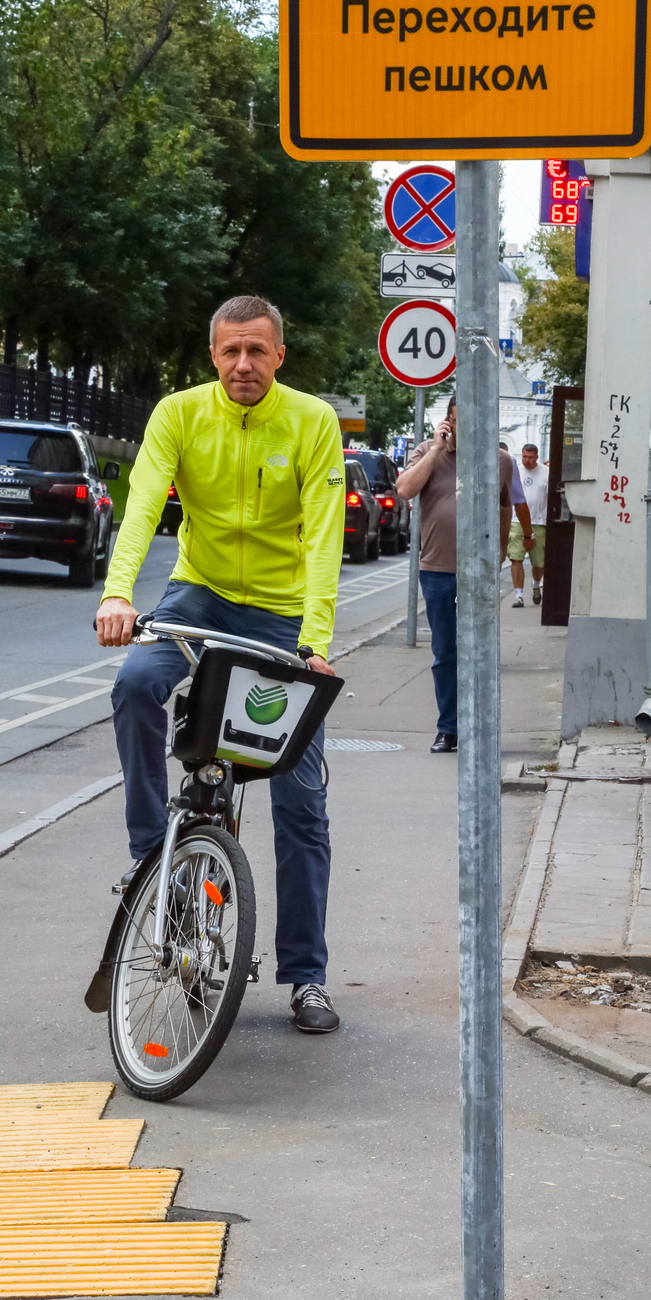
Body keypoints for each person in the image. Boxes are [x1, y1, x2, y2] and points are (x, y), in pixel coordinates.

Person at [95, 295, 346, 1036]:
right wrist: (118, 595)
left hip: (281, 612)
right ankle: (153, 860)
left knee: (301, 799)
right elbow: (143, 502)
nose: (243, 365)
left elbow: (326, 535)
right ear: (213, 356)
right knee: (135, 685)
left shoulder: (312, 422)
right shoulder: (178, 413)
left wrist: (316, 641)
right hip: (197, 596)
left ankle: (307, 976)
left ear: (279, 356)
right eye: (230, 352)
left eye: (257, 352)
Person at [397, 400, 532, 753]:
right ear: (448, 421)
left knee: (480, 652)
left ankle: (480, 726)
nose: (464, 431)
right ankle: (448, 728)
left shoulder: (501, 461)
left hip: (480, 572)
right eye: (457, 423)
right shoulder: (429, 451)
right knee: (445, 653)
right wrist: (438, 447)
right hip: (437, 569)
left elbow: (505, 508)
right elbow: (405, 490)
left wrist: (500, 554)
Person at [509, 443, 549, 608]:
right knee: (515, 558)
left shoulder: (546, 473)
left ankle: (536, 584)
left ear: (537, 457)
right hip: (516, 521)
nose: (527, 460)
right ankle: (519, 595)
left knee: (538, 563)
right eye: (524, 456)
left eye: (531, 457)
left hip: (538, 522)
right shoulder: (515, 470)